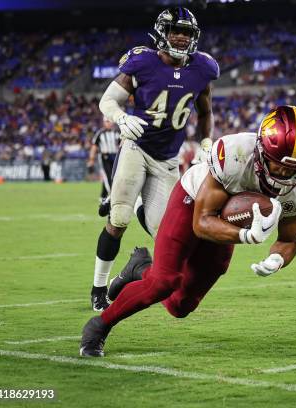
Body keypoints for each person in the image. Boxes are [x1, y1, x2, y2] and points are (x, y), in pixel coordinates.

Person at [80, 106, 296, 357]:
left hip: (226, 221)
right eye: (277, 166)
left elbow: (289, 239)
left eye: (293, 170)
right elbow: (202, 222)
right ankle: (99, 326)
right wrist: (245, 236)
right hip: (193, 201)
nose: (283, 175)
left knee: (180, 306)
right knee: (164, 282)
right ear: (261, 151)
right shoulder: (235, 154)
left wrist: (277, 259)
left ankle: (139, 268)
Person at [89, 7, 219, 311]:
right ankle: (98, 287)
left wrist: (206, 141)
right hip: (136, 148)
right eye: (176, 31)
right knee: (118, 218)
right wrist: (121, 118)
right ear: (162, 32)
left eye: (187, 33)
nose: (182, 38)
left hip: (169, 159)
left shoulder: (202, 68)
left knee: (167, 235)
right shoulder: (142, 62)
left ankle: (130, 271)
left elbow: (206, 111)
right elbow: (107, 101)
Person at [87, 118, 120, 215]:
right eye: (107, 121)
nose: (109, 123)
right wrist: (91, 159)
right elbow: (94, 146)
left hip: (115, 157)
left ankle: (103, 197)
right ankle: (113, 202)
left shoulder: (117, 132)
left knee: (112, 178)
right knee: (108, 179)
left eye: (110, 121)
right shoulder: (100, 133)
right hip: (104, 157)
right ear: (104, 122)